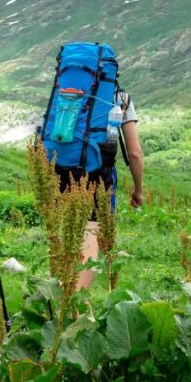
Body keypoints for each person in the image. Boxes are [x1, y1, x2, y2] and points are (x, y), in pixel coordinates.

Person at [57, 88, 145, 290]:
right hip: (98, 172)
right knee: (89, 235)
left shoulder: (67, 88)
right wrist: (138, 190)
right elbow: (134, 153)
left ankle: (61, 295)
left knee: (67, 235)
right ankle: (74, 303)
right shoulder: (120, 98)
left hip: (61, 167)